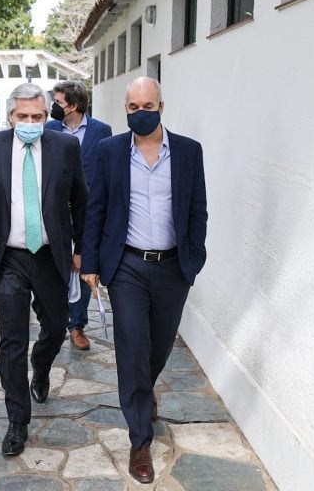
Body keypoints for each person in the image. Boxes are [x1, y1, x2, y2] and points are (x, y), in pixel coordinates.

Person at [81, 77, 208, 484]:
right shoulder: (110, 151)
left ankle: (143, 390)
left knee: (159, 345)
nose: (140, 112)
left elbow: (197, 209)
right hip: (128, 266)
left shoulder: (188, 151)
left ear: (162, 106)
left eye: (147, 105)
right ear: (126, 109)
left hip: (173, 267)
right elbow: (96, 208)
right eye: (133, 107)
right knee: (132, 346)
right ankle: (140, 439)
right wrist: (91, 261)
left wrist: (195, 257)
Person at [0, 82, 88, 456]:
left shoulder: (65, 147)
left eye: (37, 116)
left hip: (51, 255)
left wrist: (82, 249)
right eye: (23, 116)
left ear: (46, 116)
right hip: (9, 257)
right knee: (12, 338)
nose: (30, 122)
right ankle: (17, 421)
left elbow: (80, 201)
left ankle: (41, 367)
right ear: (11, 116)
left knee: (55, 327)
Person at [45, 80, 112, 350]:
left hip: (89, 210)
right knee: (53, 267)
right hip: (55, 210)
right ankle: (54, 318)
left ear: (73, 105)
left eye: (58, 102)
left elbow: (107, 168)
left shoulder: (101, 131)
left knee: (85, 265)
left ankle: (77, 325)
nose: (54, 107)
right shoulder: (49, 129)